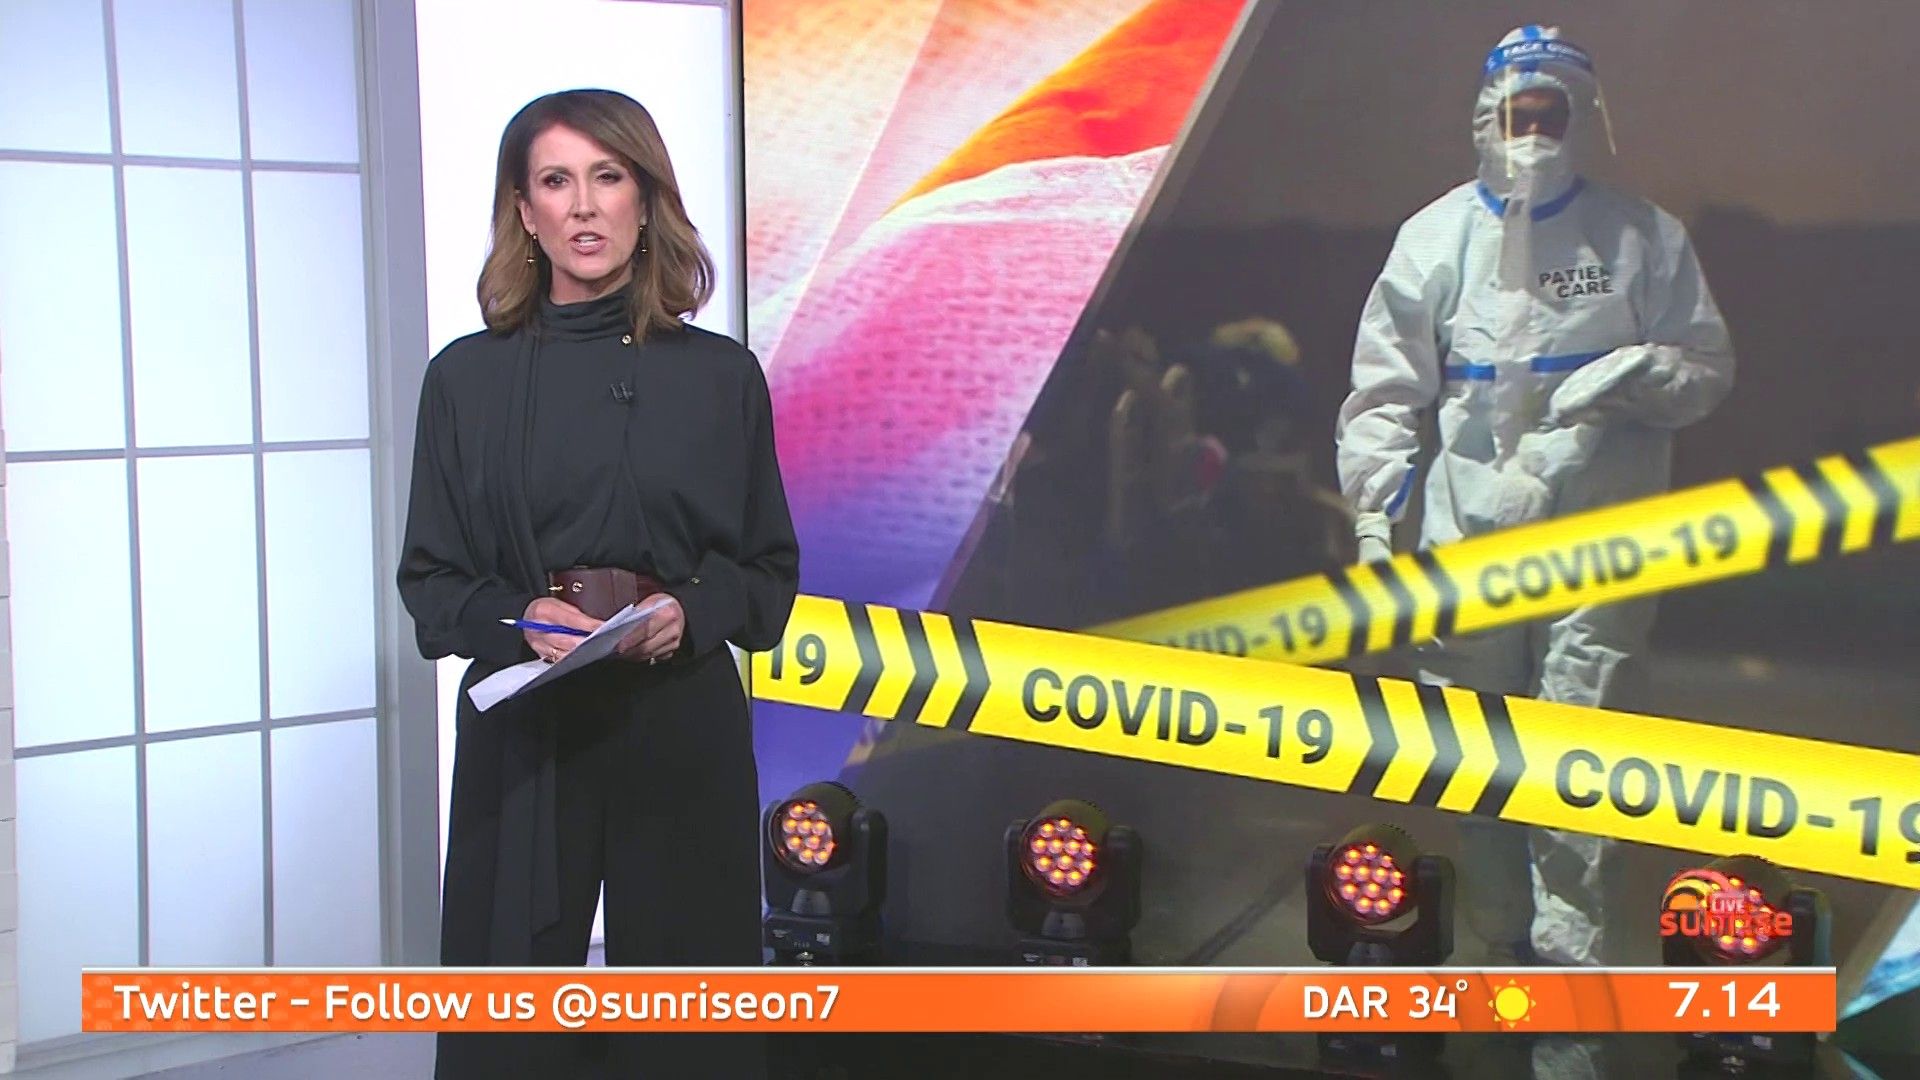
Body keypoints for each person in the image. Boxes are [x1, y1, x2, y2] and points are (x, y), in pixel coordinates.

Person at [397, 89, 798, 1079]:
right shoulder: (466, 380)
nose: (583, 205)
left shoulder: (721, 376)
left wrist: (686, 613)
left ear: (645, 201)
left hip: (680, 716)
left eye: (608, 177)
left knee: (690, 1024)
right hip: (527, 727)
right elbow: (431, 583)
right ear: (524, 212)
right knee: (507, 1024)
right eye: (556, 181)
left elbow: (766, 577)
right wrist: (516, 617)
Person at [1335, 26, 1735, 971]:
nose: (1534, 130)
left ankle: (1570, 971)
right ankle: (1501, 947)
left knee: (1579, 746)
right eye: (1519, 112)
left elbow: (1706, 370)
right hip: (1466, 537)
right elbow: (1386, 388)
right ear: (1486, 117)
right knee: (1473, 748)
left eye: (1553, 112)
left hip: (1598, 539)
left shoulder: (1643, 238)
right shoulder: (1435, 239)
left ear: (1584, 119)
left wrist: (1632, 376)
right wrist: (1373, 515)